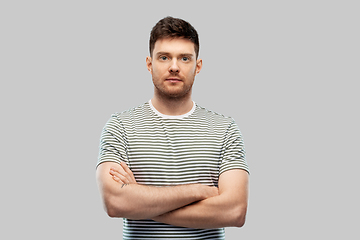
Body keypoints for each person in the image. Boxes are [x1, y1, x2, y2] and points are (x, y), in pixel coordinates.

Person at [96, 16, 249, 240]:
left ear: (198, 66)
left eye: (184, 58)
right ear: (150, 64)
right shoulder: (120, 126)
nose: (174, 67)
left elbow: (235, 211)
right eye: (164, 57)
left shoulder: (224, 129)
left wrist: (142, 204)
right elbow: (115, 202)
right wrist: (199, 191)